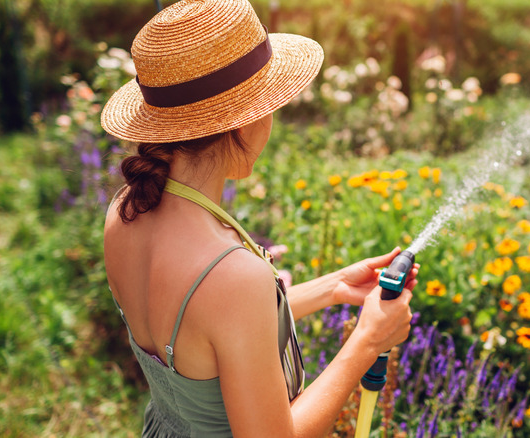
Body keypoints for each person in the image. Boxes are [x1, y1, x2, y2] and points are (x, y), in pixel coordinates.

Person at [100, 0, 418, 436]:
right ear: (243, 123)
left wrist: (333, 288)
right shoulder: (231, 275)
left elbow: (210, 333)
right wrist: (367, 341)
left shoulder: (124, 212)